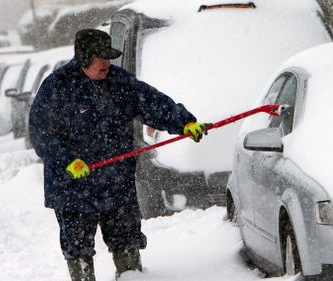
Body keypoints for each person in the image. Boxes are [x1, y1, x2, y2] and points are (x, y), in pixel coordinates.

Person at [28, 29, 208, 281]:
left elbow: (151, 102)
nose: (106, 64)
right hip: (73, 188)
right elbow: (41, 133)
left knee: (127, 241)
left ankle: (130, 275)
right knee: (78, 249)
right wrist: (67, 161)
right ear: (83, 58)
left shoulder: (118, 81)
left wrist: (183, 122)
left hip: (116, 182)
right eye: (101, 58)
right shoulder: (58, 87)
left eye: (109, 57)